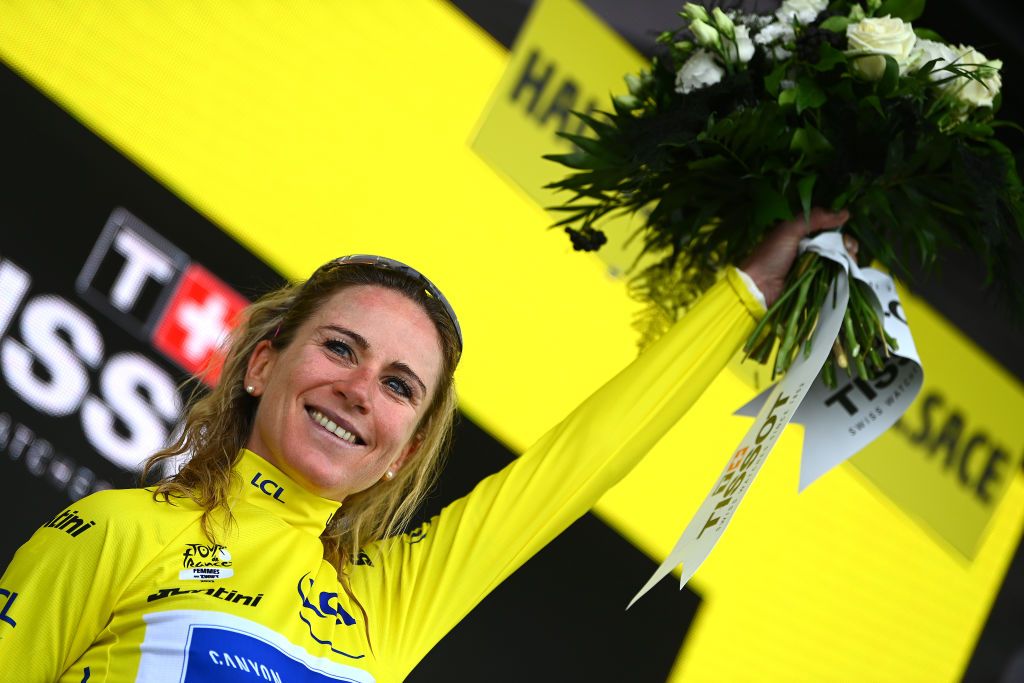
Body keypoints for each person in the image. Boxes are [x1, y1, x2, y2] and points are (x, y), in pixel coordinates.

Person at [0, 210, 850, 682]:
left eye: (400, 385)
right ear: (263, 363)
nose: (361, 389)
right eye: (340, 348)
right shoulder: (116, 533)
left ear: (401, 454)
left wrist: (745, 295)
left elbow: (579, 461)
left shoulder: (385, 604)